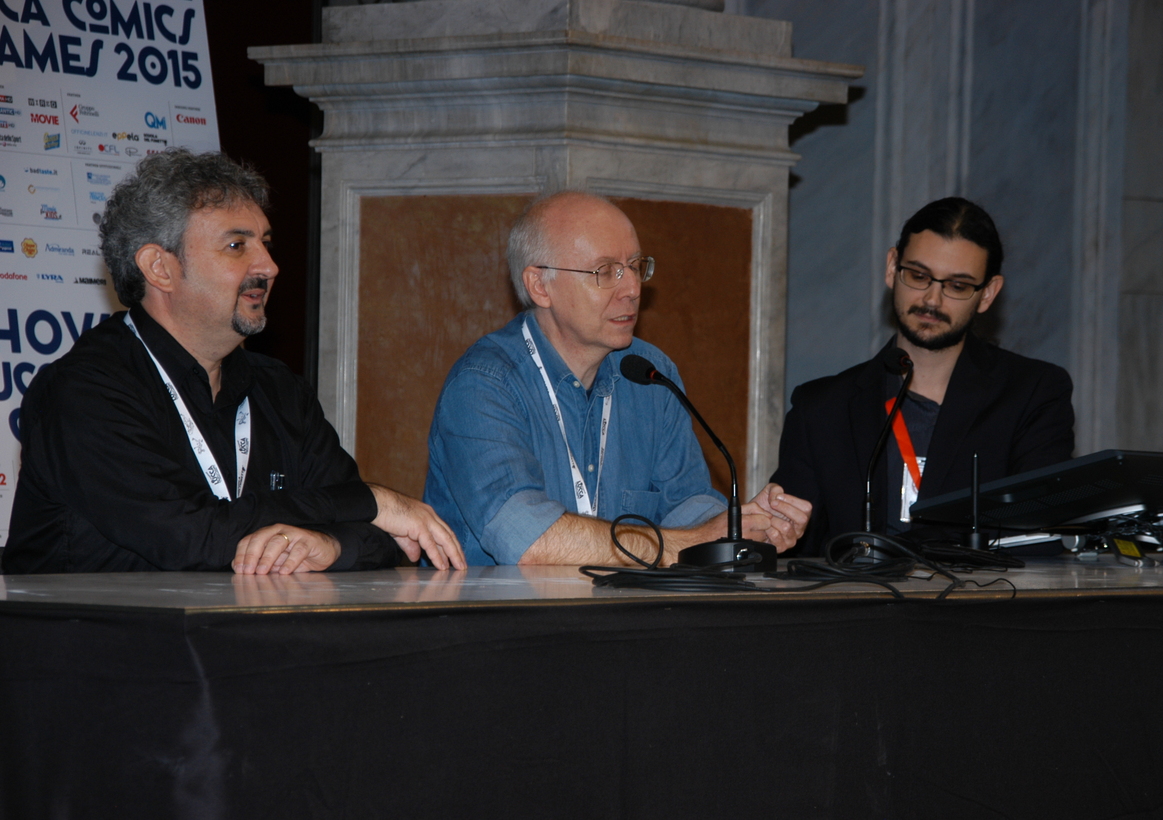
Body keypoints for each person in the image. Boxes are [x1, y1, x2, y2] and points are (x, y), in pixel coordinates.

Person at [3, 149, 465, 575]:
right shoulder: (84, 391)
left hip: (248, 634)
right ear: (160, 268)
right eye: (237, 246)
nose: (269, 266)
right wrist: (369, 500)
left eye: (265, 242)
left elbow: (384, 537)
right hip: (95, 637)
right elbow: (191, 535)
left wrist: (328, 545)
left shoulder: (280, 390)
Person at [425, 191, 811, 566]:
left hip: (623, 607)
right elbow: (530, 542)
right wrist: (688, 544)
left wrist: (741, 528)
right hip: (501, 610)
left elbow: (685, 504)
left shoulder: (650, 373)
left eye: (636, 266)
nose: (632, 289)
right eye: (605, 271)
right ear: (540, 286)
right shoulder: (483, 385)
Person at [772, 197, 1074, 554]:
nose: (932, 300)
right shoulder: (821, 408)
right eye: (918, 276)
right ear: (892, 268)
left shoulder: (1033, 394)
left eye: (957, 286)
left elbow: (1037, 543)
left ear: (988, 294)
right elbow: (793, 553)